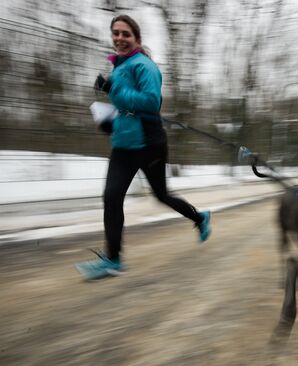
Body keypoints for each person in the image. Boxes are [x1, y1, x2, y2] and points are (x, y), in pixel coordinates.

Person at [76, 14, 211, 281]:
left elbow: (150, 102)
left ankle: (199, 217)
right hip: (124, 146)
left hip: (149, 145)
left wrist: (112, 88)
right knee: (112, 198)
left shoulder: (144, 65)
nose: (119, 38)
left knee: (161, 195)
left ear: (136, 39)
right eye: (115, 33)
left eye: (126, 34)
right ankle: (113, 260)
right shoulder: (120, 66)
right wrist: (110, 122)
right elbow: (127, 109)